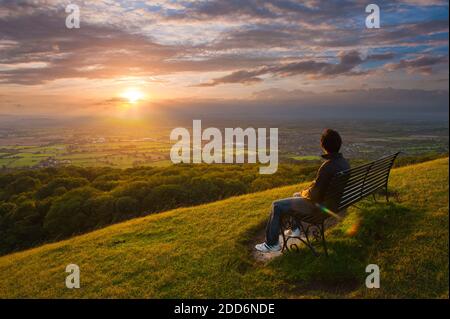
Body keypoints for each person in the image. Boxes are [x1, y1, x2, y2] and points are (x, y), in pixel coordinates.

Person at [255, 129, 350, 253]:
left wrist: (304, 193)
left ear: (323, 145)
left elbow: (314, 195)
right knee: (296, 195)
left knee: (276, 205)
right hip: (333, 205)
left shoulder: (328, 166)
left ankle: (271, 244)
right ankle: (295, 230)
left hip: (319, 208)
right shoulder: (344, 163)